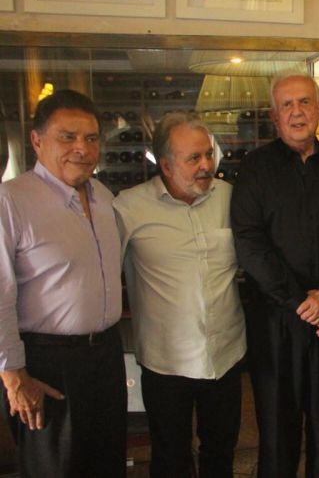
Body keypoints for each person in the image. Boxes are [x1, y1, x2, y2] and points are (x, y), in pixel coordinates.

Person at [231, 73, 319, 477]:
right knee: (278, 431)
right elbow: (250, 243)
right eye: (287, 105)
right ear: (274, 116)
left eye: (305, 102)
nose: (297, 112)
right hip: (276, 321)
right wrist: (302, 303)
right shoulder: (254, 168)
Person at [0, 89, 126, 477]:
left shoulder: (103, 196)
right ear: (37, 141)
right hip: (47, 363)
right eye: (67, 137)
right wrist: (13, 376)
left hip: (105, 356)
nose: (81, 149)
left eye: (91, 138)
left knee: (107, 465)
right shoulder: (11, 201)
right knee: (56, 469)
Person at [114, 112, 246, 478]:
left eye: (208, 154)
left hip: (225, 354)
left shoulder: (231, 198)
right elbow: (101, 272)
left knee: (221, 453)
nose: (206, 166)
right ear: (167, 166)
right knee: (170, 458)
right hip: (165, 362)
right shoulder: (129, 208)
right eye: (194, 158)